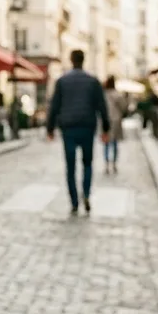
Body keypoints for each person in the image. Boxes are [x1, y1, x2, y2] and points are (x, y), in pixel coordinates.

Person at [46, 49, 111, 215]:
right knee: (87, 163)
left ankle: (74, 201)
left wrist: (50, 128)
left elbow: (54, 106)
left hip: (68, 127)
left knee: (70, 166)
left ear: (71, 60)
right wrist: (105, 128)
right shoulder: (93, 81)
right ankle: (86, 194)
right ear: (83, 60)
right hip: (87, 126)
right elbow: (102, 106)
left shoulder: (62, 81)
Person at [102, 76, 128, 174]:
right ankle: (114, 164)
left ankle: (106, 164)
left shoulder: (103, 95)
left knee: (106, 144)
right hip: (116, 120)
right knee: (115, 143)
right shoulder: (117, 95)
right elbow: (124, 107)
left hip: (106, 120)